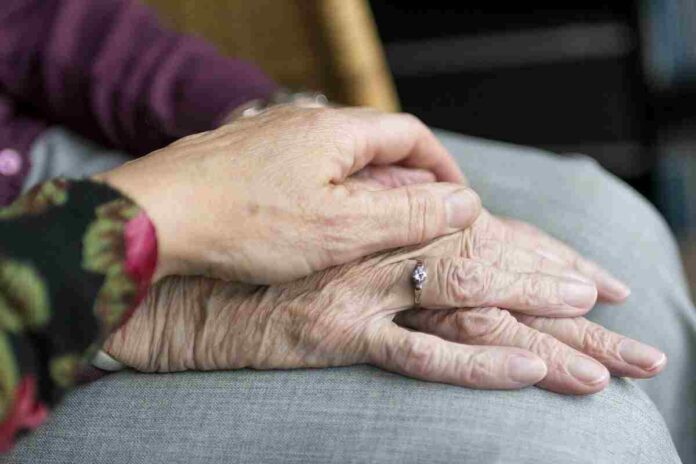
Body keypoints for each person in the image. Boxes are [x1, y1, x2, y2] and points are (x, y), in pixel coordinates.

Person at [0, 1, 692, 463]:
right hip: (28, 338)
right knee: (577, 438)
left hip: (50, 152)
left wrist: (261, 127)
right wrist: (160, 302)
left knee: (609, 234)